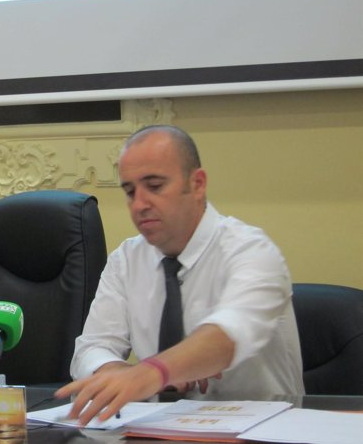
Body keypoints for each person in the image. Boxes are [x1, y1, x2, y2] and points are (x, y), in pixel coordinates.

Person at [56, 125, 304, 425]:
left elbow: (229, 334)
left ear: (197, 183)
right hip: (161, 428)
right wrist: (115, 371)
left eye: (155, 186)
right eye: (130, 191)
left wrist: (154, 372)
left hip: (259, 430)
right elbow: (92, 347)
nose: (139, 204)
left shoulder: (252, 251)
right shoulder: (126, 259)